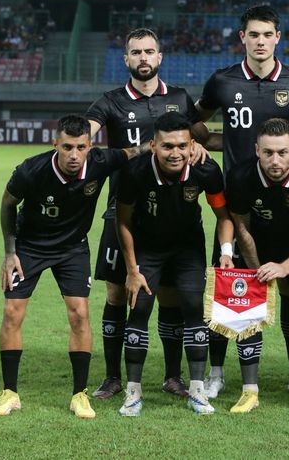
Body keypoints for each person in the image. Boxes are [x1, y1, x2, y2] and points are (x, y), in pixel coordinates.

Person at [193, 4, 289, 398]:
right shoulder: (222, 80)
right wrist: (207, 144)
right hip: (237, 204)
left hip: (287, 203)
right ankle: (217, 373)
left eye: (267, 35)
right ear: (243, 39)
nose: (261, 41)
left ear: (277, 38)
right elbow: (193, 120)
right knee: (228, 291)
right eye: (254, 35)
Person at [0, 115, 145, 418]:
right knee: (12, 312)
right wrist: (10, 253)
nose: (74, 155)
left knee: (79, 313)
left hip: (72, 247)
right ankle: (9, 393)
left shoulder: (100, 161)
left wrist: (157, 147)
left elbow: (132, 152)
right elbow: (8, 203)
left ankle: (79, 395)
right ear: (55, 144)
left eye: (81, 147)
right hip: (30, 246)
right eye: (67, 147)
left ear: (90, 146)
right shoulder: (31, 170)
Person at [86, 27, 206, 399]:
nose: (143, 58)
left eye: (149, 51)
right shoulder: (111, 101)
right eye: (135, 52)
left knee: (169, 295)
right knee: (117, 294)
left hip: (173, 215)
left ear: (160, 57)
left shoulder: (183, 99)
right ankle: (112, 377)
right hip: (122, 211)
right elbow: (84, 140)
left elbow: (199, 136)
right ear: (126, 60)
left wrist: (201, 144)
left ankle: (172, 376)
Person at [115, 112, 234, 417]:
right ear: (153, 145)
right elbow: (123, 221)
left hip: (187, 248)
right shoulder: (134, 171)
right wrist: (132, 270)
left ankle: (197, 390)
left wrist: (226, 252)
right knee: (139, 308)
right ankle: (133, 393)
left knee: (194, 307)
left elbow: (223, 217)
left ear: (192, 144)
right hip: (147, 247)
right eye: (168, 146)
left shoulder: (206, 169)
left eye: (182, 145)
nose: (176, 153)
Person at [224, 118, 289, 416]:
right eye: (268, 152)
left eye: (282, 152)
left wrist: (284, 267)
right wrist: (258, 270)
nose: (275, 160)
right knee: (249, 308)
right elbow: (241, 227)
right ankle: (249, 391)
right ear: (257, 150)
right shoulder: (240, 176)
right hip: (257, 245)